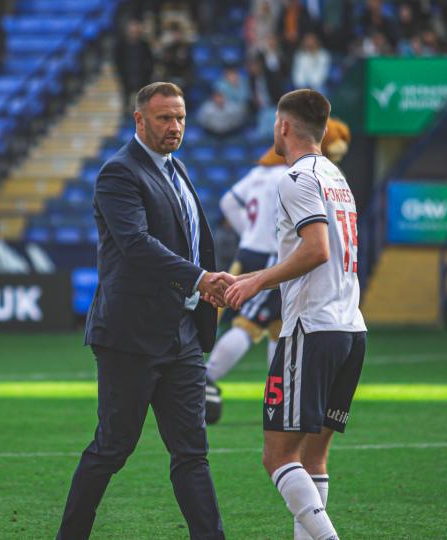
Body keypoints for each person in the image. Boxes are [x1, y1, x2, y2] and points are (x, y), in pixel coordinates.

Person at [56, 82, 231, 540]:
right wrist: (199, 278)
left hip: (183, 334)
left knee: (192, 452)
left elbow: (191, 242)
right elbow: (136, 245)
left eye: (180, 118)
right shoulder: (119, 173)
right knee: (112, 449)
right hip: (130, 337)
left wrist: (203, 289)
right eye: (164, 119)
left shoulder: (177, 168)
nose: (175, 127)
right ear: (140, 120)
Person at [224, 89, 367, 540]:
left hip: (311, 328)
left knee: (277, 456)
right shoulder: (336, 177)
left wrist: (255, 280)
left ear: (283, 126)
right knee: (313, 459)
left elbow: (317, 249)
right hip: (350, 329)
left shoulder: (296, 178)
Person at [207, 118, 352, 425]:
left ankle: (282, 392)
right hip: (275, 257)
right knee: (249, 323)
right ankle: (205, 379)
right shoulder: (298, 174)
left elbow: (228, 202)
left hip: (248, 251)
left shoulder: (259, 172)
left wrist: (250, 233)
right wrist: (268, 237)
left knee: (278, 325)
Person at [114, 19, 154, 112]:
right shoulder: (122, 46)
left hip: (143, 80)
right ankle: (126, 117)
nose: (134, 33)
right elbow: (118, 62)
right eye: (132, 31)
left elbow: (151, 61)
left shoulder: (145, 45)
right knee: (127, 103)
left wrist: (148, 74)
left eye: (136, 31)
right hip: (127, 79)